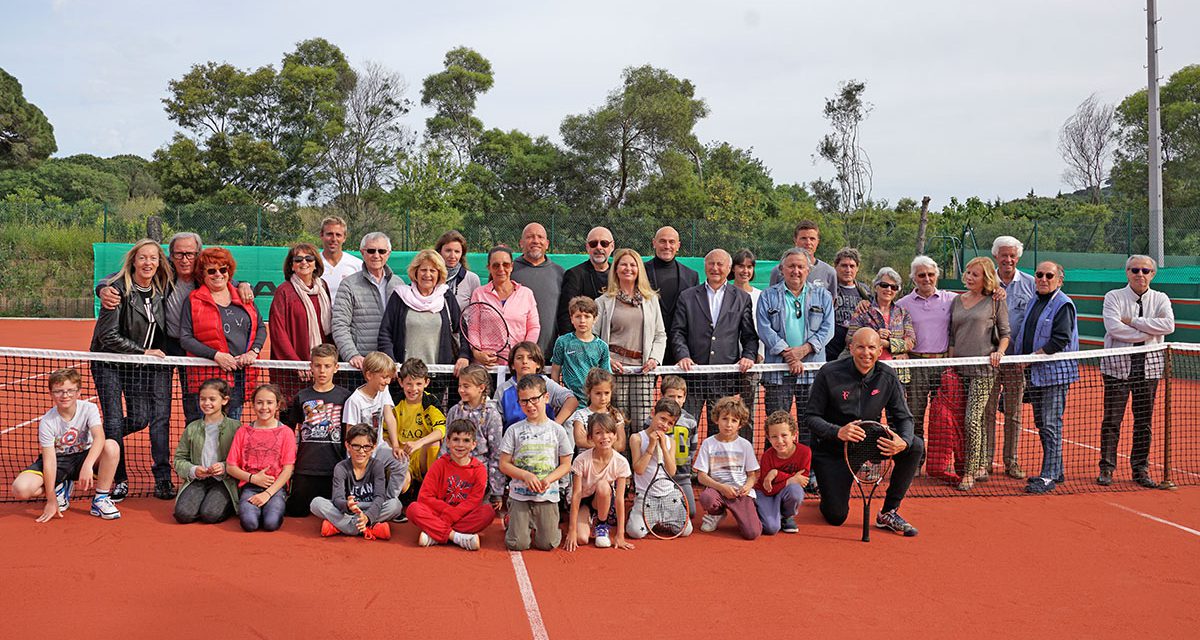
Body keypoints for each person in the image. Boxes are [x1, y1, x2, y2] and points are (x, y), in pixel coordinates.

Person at [97, 232, 254, 425]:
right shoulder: (163, 272)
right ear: (171, 255)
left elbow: (227, 279)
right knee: (159, 412)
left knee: (194, 403)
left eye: (190, 253)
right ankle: (155, 454)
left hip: (195, 349)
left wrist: (245, 284)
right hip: (164, 347)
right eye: (179, 254)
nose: (185, 259)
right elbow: (117, 276)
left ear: (198, 254)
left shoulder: (206, 274)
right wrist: (103, 287)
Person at [805, 329, 922, 536]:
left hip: (868, 442)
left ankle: (889, 511)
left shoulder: (887, 375)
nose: (865, 353)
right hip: (833, 448)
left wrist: (902, 441)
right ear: (851, 348)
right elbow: (811, 417)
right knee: (836, 516)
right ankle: (828, 491)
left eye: (871, 348)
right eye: (860, 346)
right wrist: (838, 431)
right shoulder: (829, 373)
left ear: (879, 351)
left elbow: (904, 417)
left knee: (915, 445)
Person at [90, 238, 175, 501]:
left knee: (140, 418)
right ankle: (119, 479)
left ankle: (94, 444)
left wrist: (241, 284)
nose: (148, 262)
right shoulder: (117, 290)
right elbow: (107, 336)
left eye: (153, 257)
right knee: (115, 420)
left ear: (160, 262)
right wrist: (143, 352)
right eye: (142, 257)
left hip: (138, 366)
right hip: (109, 363)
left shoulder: (163, 288)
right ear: (133, 261)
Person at [1099, 255, 1175, 488]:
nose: (1139, 274)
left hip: (1149, 370)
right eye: (1135, 270)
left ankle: (1140, 469)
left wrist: (1132, 320)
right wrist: (1148, 331)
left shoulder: (1161, 298)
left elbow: (1169, 325)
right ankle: (1107, 469)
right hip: (1117, 369)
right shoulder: (1113, 296)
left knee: (1144, 422)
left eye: (1145, 270)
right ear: (1127, 273)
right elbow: (1114, 329)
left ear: (1152, 274)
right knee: (1112, 421)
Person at [11, 368, 121, 522]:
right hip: (59, 461)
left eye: (70, 390)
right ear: (51, 393)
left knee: (112, 446)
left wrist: (87, 465)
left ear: (78, 392)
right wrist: (51, 500)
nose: (65, 395)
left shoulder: (89, 408)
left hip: (83, 457)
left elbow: (99, 437)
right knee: (20, 490)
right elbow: (49, 461)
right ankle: (59, 487)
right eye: (58, 391)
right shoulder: (47, 422)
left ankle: (100, 499)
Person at [672, 249, 757, 442]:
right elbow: (677, 332)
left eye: (720, 264)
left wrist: (749, 356)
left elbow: (749, 336)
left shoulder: (742, 298)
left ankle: (715, 470)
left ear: (729, 268)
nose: (715, 268)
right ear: (705, 267)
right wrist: (683, 355)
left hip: (724, 378)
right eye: (711, 264)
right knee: (684, 427)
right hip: (692, 377)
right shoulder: (687, 296)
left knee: (720, 431)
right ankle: (682, 470)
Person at [1012, 262, 1079, 494]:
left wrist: (1030, 358)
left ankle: (1049, 476)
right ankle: (1056, 469)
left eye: (1049, 275)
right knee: (1042, 423)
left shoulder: (1063, 305)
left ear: (1059, 280)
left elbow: (1059, 340)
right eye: (1039, 274)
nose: (1042, 278)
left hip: (1055, 375)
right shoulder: (1034, 300)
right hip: (1036, 374)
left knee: (1050, 424)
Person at [757, 248, 834, 448]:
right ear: (782, 269)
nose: (796, 271)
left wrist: (804, 350)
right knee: (776, 424)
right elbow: (764, 329)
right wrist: (789, 354)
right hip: (777, 372)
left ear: (808, 270)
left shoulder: (823, 295)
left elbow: (828, 329)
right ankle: (775, 471)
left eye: (801, 267)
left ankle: (810, 472)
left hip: (811, 373)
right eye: (791, 266)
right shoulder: (767, 296)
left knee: (811, 423)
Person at [180, 247, 266, 422]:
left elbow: (260, 328)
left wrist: (253, 351)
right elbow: (185, 338)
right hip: (208, 379)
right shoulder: (193, 300)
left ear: (229, 271)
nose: (218, 274)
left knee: (232, 428)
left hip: (240, 376)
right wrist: (216, 355)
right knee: (208, 429)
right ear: (202, 275)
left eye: (223, 269)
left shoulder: (245, 296)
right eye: (211, 271)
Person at [948, 256, 1010, 491]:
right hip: (959, 369)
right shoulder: (956, 301)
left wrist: (1000, 353)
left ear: (986, 278)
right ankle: (982, 463)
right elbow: (953, 335)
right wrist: (951, 364)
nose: (969, 277)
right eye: (968, 273)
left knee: (972, 419)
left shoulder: (995, 301)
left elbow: (1005, 333)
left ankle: (970, 472)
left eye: (975, 274)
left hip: (984, 370)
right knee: (972, 419)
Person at [377, 249, 466, 405]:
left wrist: (464, 356)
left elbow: (463, 331)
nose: (427, 274)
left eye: (433, 270)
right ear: (415, 272)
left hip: (436, 378)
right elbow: (385, 332)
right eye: (423, 270)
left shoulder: (446, 297)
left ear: (439, 274)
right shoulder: (400, 296)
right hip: (404, 380)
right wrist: (391, 363)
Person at [594, 248, 667, 432]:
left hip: (643, 371)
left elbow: (660, 334)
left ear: (639, 269)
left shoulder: (651, 300)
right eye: (623, 264)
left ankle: (638, 461)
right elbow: (592, 339)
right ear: (616, 269)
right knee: (617, 423)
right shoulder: (603, 302)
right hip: (614, 371)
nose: (628, 268)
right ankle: (621, 460)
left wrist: (654, 359)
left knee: (641, 424)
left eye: (633, 265)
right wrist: (607, 360)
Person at [500, 375, 574, 551]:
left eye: (535, 399)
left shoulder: (557, 430)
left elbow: (566, 464)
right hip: (520, 495)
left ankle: (536, 523)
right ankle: (515, 519)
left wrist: (548, 479)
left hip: (547, 495)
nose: (530, 405)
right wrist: (525, 475)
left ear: (546, 398)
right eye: (524, 401)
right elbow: (504, 464)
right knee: (517, 544)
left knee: (547, 544)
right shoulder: (514, 430)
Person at [984, 235, 1037, 480]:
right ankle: (985, 462)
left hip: (1016, 361)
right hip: (987, 361)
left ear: (1018, 257)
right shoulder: (984, 282)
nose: (1008, 259)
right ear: (996, 256)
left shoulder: (1030, 283)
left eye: (1012, 255)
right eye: (1003, 255)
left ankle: (1011, 461)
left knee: (1014, 415)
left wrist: (1028, 356)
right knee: (987, 412)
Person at [281, 344, 351, 518]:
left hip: (334, 468)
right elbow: (289, 429)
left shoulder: (345, 397)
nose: (322, 371)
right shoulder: (302, 397)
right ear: (311, 367)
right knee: (296, 513)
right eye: (318, 365)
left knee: (336, 510)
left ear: (336, 368)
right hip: (306, 468)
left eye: (327, 366)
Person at [894, 255, 957, 446]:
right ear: (914, 278)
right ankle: (915, 460)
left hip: (944, 364)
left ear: (937, 276)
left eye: (931, 274)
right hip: (916, 365)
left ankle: (940, 463)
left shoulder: (952, 299)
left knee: (944, 418)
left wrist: (997, 292)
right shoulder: (902, 304)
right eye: (922, 275)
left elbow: (978, 298)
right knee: (915, 415)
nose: (927, 279)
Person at [409, 420, 496, 550]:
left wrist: (450, 516)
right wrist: (448, 513)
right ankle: (457, 537)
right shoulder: (439, 464)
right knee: (413, 509)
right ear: (448, 442)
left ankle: (435, 535)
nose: (460, 445)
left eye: (466, 440)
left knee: (488, 512)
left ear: (473, 444)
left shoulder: (479, 469)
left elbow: (474, 501)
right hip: (439, 514)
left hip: (462, 516)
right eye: (456, 439)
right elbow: (425, 496)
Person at [332, 232, 403, 382]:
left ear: (388, 254)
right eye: (371, 250)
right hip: (362, 367)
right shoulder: (349, 285)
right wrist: (352, 354)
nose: (376, 255)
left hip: (392, 366)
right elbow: (339, 325)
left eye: (381, 251)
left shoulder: (399, 284)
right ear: (362, 253)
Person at [268, 242, 333, 404]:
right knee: (290, 415)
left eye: (309, 258)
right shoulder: (284, 291)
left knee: (317, 417)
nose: (304, 262)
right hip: (292, 370)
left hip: (319, 367)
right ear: (291, 266)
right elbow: (278, 332)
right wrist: (297, 364)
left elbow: (329, 327)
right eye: (298, 259)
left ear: (316, 263)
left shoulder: (323, 287)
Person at [225, 384, 296, 532]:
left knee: (271, 523)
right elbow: (230, 467)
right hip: (249, 487)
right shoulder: (243, 431)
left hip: (276, 488)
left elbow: (288, 469)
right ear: (253, 405)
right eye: (259, 402)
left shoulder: (286, 432)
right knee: (250, 524)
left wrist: (267, 494)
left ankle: (275, 505)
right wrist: (252, 478)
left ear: (278, 405)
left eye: (269, 403)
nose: (264, 407)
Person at [310, 424, 399, 540]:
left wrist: (367, 516)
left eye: (367, 447)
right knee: (316, 503)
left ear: (374, 447)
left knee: (395, 505)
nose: (361, 451)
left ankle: (340, 527)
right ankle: (369, 528)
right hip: (347, 510)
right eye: (356, 446)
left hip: (370, 507)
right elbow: (337, 498)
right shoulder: (341, 468)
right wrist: (347, 505)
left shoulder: (377, 466)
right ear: (348, 445)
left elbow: (379, 497)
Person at [172, 378, 240, 525]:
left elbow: (243, 459)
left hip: (224, 481)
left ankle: (228, 504)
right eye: (203, 399)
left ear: (224, 400)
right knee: (183, 515)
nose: (206, 403)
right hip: (199, 480)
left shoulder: (237, 427)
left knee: (210, 515)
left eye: (212, 399)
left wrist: (224, 466)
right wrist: (194, 470)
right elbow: (179, 459)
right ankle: (203, 501)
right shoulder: (192, 428)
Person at [695, 395, 762, 540]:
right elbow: (701, 476)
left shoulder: (745, 445)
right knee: (707, 497)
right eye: (725, 419)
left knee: (752, 534)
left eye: (734, 420)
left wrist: (747, 487)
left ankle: (747, 515)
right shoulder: (708, 443)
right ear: (717, 419)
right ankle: (716, 514)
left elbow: (752, 475)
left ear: (740, 424)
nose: (728, 424)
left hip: (739, 493)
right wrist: (721, 487)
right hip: (718, 491)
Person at [563, 413, 633, 550]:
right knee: (581, 539)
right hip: (584, 501)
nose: (605, 437)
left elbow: (619, 499)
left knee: (603, 485)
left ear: (615, 435)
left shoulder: (621, 462)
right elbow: (576, 494)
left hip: (604, 497)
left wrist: (620, 534)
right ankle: (586, 520)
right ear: (590, 437)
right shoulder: (581, 460)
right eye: (598, 433)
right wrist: (572, 530)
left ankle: (601, 524)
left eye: (608, 432)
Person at [626, 397, 693, 540]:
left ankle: (659, 518)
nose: (665, 425)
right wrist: (651, 446)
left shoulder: (671, 442)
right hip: (645, 495)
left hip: (669, 495)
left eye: (670, 423)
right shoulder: (636, 438)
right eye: (662, 419)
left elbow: (672, 471)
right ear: (652, 414)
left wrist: (663, 446)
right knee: (635, 532)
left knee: (686, 530)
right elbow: (639, 469)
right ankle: (645, 515)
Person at [444, 365, 505, 510]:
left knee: (478, 513)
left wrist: (496, 491)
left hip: (478, 474)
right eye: (460, 386)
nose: (461, 390)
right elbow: (446, 447)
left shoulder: (492, 414)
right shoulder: (454, 411)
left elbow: (496, 453)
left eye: (466, 386)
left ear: (481, 388)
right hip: (454, 471)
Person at [469, 246, 540, 366]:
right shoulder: (479, 294)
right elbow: (473, 328)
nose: (501, 269)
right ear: (489, 268)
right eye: (496, 265)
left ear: (512, 266)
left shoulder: (526, 293)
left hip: (517, 366)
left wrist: (523, 353)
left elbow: (534, 327)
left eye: (506, 265)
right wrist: (477, 353)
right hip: (487, 366)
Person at [392, 358, 448, 504]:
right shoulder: (394, 402)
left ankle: (430, 489)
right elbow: (385, 434)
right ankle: (406, 493)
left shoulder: (430, 401)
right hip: (401, 456)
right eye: (409, 384)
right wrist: (396, 448)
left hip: (422, 455)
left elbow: (441, 430)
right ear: (400, 382)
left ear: (426, 383)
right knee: (401, 485)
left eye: (418, 384)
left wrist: (418, 443)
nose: (413, 389)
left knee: (434, 441)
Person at [843, 268, 915, 379]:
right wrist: (874, 336)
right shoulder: (863, 311)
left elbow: (910, 343)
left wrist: (887, 344)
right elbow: (850, 341)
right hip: (867, 371)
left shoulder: (903, 313)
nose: (889, 289)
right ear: (876, 287)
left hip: (897, 373)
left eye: (894, 287)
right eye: (884, 285)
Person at [644, 226, 699, 365]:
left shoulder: (691, 276)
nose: (667, 246)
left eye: (672, 242)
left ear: (678, 245)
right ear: (654, 243)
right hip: (648, 347)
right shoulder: (640, 272)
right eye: (662, 241)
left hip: (680, 350)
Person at [494, 341, 579, 430]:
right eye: (519, 358)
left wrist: (555, 426)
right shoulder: (503, 390)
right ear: (512, 365)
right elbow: (495, 422)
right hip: (515, 438)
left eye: (530, 358)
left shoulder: (545, 383)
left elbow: (572, 400)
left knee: (571, 418)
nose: (525, 361)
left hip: (545, 438)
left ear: (538, 364)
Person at [510, 222, 564, 357]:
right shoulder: (508, 271)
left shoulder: (559, 273)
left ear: (547, 243)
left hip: (549, 355)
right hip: (515, 357)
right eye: (530, 237)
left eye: (540, 237)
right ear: (521, 243)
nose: (535, 241)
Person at [755, 411, 811, 535]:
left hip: (783, 490)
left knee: (795, 491)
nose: (779, 441)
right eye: (774, 436)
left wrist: (776, 474)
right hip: (766, 494)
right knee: (771, 529)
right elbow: (766, 489)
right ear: (768, 438)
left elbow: (802, 481)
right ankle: (762, 510)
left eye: (784, 435)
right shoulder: (767, 456)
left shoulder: (805, 452)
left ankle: (787, 515)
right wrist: (789, 480)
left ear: (794, 435)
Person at [551, 296, 611, 404]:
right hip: (569, 400)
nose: (582, 321)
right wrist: (556, 395)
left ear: (595, 319)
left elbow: (606, 376)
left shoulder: (602, 347)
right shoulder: (562, 342)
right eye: (578, 316)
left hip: (592, 402)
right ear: (571, 319)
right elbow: (555, 370)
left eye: (587, 316)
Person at [557, 226, 614, 338]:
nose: (599, 247)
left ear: (612, 246)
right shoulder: (575, 275)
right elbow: (566, 314)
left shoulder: (618, 274)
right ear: (587, 247)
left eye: (604, 243)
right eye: (593, 244)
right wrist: (572, 344)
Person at [659, 376, 699, 516]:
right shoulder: (653, 420)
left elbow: (693, 446)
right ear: (662, 396)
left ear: (684, 397)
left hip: (682, 475)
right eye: (671, 396)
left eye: (679, 396)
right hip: (661, 475)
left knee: (691, 512)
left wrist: (688, 464)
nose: (675, 400)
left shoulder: (690, 421)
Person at [568, 368, 627, 453]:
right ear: (589, 392)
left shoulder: (616, 416)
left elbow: (621, 445)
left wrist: (593, 442)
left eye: (607, 393)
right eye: (598, 393)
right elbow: (580, 441)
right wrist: (608, 443)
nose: (603, 398)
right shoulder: (580, 415)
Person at [828, 247, 873, 358]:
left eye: (852, 266)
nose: (848, 270)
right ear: (836, 266)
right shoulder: (829, 288)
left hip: (858, 349)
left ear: (857, 268)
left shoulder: (865, 291)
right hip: (832, 348)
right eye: (844, 265)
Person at [769, 220, 836, 292]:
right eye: (803, 238)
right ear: (795, 240)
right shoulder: (778, 271)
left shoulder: (829, 272)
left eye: (812, 239)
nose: (808, 242)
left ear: (818, 242)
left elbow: (832, 301)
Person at [318, 216, 362, 302]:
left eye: (338, 235)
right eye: (329, 234)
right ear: (321, 235)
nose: (334, 239)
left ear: (344, 237)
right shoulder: (312, 264)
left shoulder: (357, 265)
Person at [436, 230, 481, 311]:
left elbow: (476, 312)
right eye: (448, 251)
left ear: (462, 254)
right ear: (439, 252)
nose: (452, 256)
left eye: (457, 251)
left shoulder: (472, 279)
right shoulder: (431, 277)